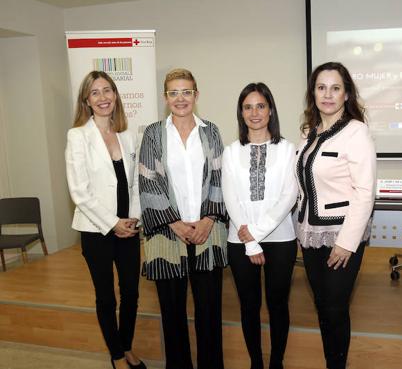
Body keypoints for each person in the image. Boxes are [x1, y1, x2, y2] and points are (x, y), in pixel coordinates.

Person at [138, 68, 227, 369]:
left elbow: (219, 175)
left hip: (207, 233)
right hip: (167, 235)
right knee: (172, 313)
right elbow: (148, 181)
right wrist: (174, 223)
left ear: (196, 95)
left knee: (209, 311)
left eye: (186, 92)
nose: (180, 98)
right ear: (166, 98)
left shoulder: (210, 130)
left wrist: (208, 220)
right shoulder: (153, 133)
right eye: (174, 93)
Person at [295, 62, 376, 369]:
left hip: (342, 237)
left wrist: (346, 243)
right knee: (322, 306)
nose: (327, 94)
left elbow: (365, 192)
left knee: (335, 307)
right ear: (313, 93)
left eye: (335, 88)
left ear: (346, 94)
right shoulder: (309, 132)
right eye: (321, 87)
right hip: (310, 233)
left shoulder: (356, 132)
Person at [65, 71, 146, 369]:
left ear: (115, 95)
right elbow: (79, 191)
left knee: (132, 293)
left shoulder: (126, 133)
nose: (103, 97)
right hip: (97, 229)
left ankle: (126, 346)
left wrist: (132, 219)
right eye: (95, 92)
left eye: (107, 90)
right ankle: (115, 354)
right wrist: (113, 222)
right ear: (86, 100)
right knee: (106, 297)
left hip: (129, 227)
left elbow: (136, 182)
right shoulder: (78, 136)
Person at [222, 82, 298, 369]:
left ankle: (276, 362)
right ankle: (256, 362)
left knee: (278, 305)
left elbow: (288, 197)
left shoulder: (288, 149)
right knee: (249, 307)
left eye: (261, 106)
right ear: (241, 113)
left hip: (281, 239)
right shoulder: (231, 152)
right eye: (248, 107)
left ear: (271, 111)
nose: (254, 113)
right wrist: (250, 241)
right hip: (240, 241)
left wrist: (256, 232)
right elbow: (231, 198)